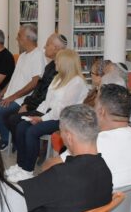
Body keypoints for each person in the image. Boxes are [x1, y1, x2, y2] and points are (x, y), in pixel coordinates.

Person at [6, 49, 88, 181]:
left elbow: (62, 110)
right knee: (21, 126)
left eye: (57, 61)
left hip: (65, 119)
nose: (55, 62)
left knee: (32, 131)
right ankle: (21, 165)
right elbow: (47, 101)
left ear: (65, 63)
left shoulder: (76, 82)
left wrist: (41, 118)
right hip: (50, 113)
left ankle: (27, 171)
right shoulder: (58, 77)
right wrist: (37, 113)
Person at [45, 84, 131, 190]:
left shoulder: (94, 142)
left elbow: (49, 168)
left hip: (92, 199)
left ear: (101, 111)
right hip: (123, 199)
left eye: (95, 105)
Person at [2, 33, 67, 149]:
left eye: (47, 45)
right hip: (38, 105)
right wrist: (26, 103)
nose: (44, 47)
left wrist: (29, 106)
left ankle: (25, 149)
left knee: (14, 119)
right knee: (9, 117)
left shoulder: (60, 69)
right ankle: (22, 147)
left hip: (47, 110)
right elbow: (38, 88)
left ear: (55, 48)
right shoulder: (50, 66)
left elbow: (45, 95)